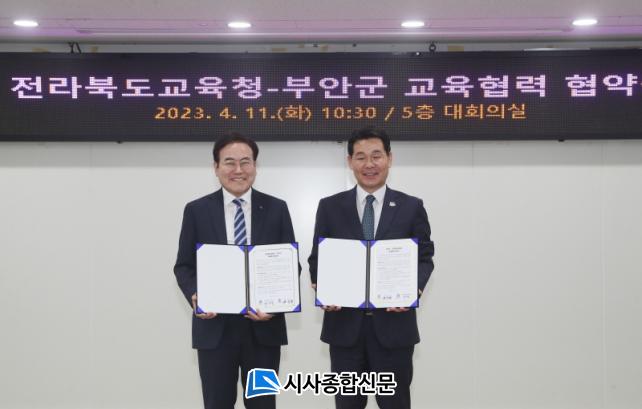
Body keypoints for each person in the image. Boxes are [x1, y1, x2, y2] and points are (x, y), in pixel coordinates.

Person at [308, 126, 435, 409]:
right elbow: (318, 258)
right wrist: (323, 287)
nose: (369, 164)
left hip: (393, 330)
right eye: (361, 157)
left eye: (376, 156)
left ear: (390, 158)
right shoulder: (330, 207)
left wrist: (413, 290)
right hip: (344, 330)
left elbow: (424, 256)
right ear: (350, 161)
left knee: (395, 404)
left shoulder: (411, 207)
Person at [174, 132, 296, 409]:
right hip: (215, 330)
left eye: (245, 162)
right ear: (216, 167)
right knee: (217, 403)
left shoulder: (277, 208)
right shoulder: (196, 210)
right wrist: (195, 295)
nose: (238, 170)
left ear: (255, 166)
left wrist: (276, 306)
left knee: (263, 404)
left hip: (264, 330)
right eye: (229, 162)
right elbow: (184, 266)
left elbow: (290, 265)